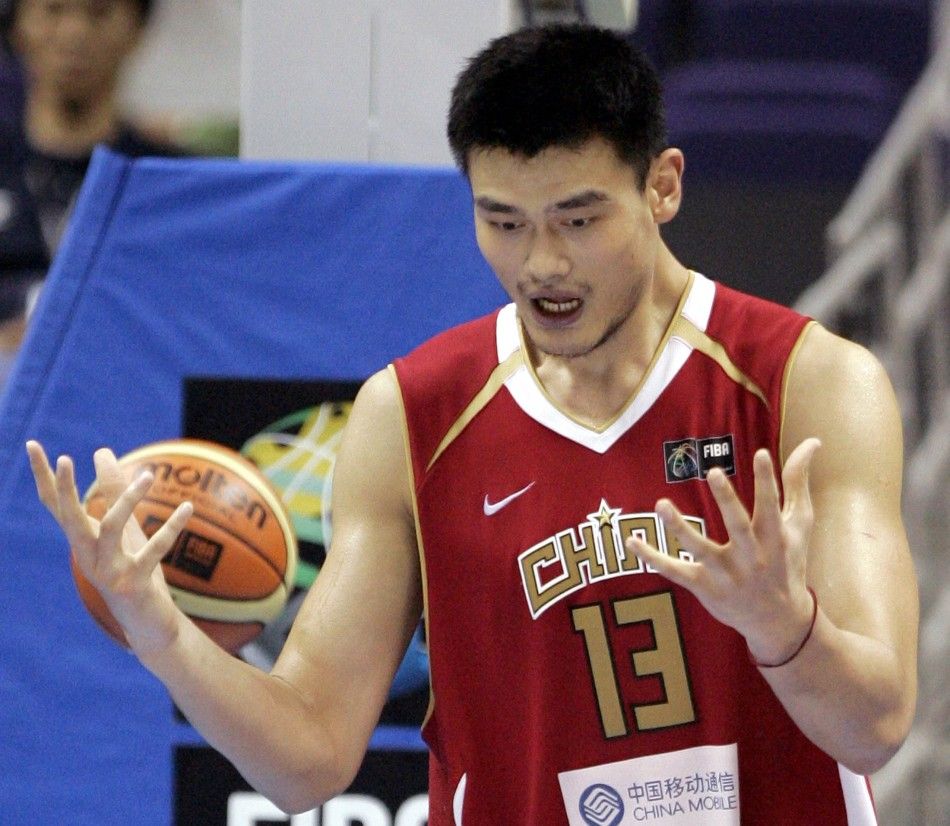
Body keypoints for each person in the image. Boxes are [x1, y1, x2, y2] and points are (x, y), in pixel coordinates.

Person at [25, 23, 918, 825]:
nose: (543, 263)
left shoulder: (811, 383)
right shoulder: (410, 415)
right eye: (504, 221)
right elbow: (307, 760)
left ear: (663, 187)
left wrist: (783, 628)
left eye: (579, 218)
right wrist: (161, 635)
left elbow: (875, 726)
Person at [0, 0, 183, 356]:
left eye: (99, 13)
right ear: (17, 28)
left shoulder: (174, 182)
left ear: (137, 30)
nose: (75, 33)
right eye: (54, 10)